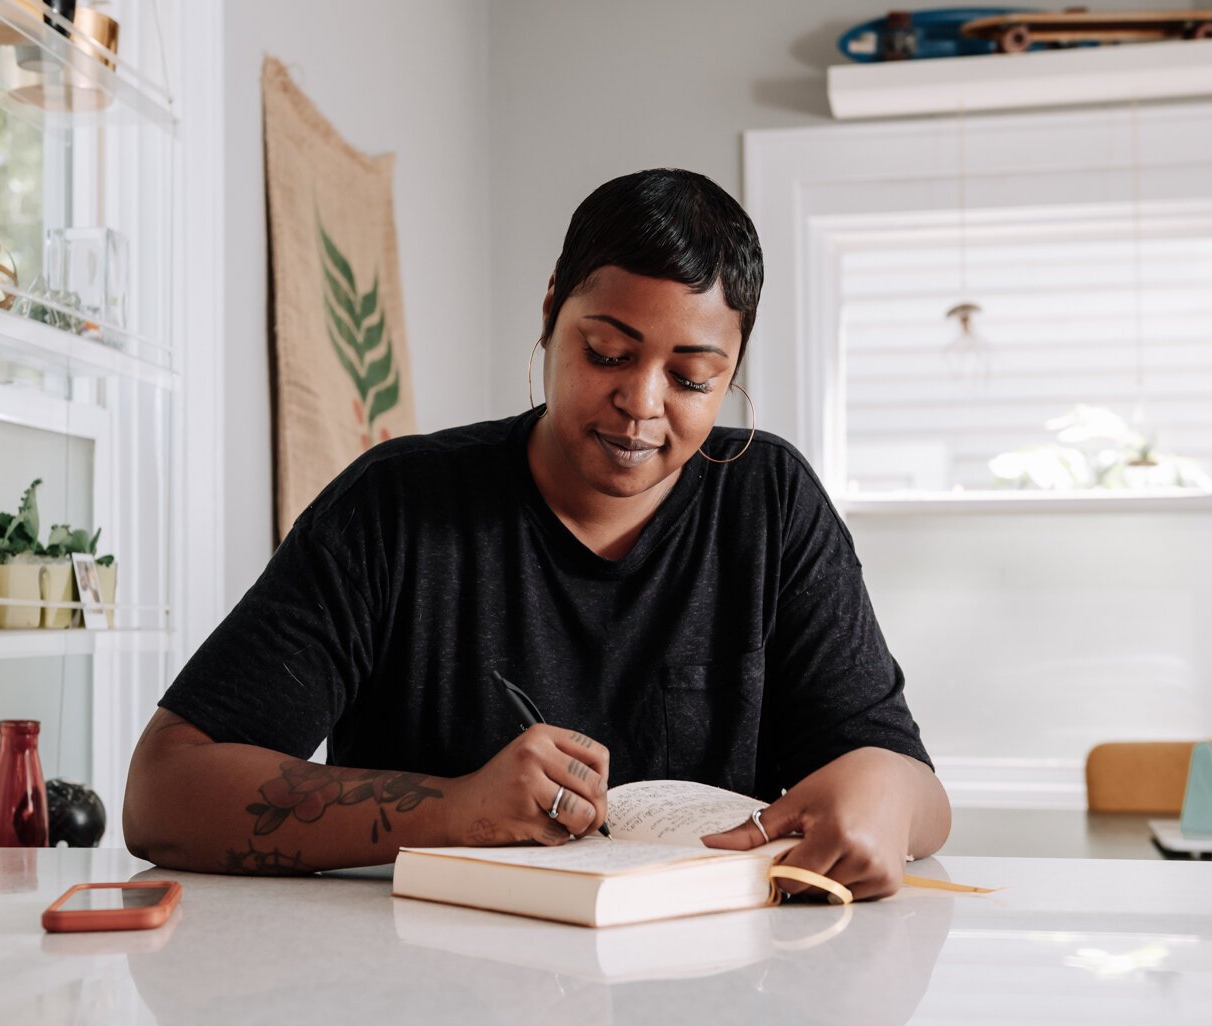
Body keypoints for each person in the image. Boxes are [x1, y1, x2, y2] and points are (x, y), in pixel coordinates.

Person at [124, 168, 950, 898]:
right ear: (553, 308)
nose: (643, 403)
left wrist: (883, 791)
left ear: (733, 368)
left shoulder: (771, 503)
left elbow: (920, 797)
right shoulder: (396, 507)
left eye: (694, 377)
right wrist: (454, 810)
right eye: (606, 353)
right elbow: (162, 793)